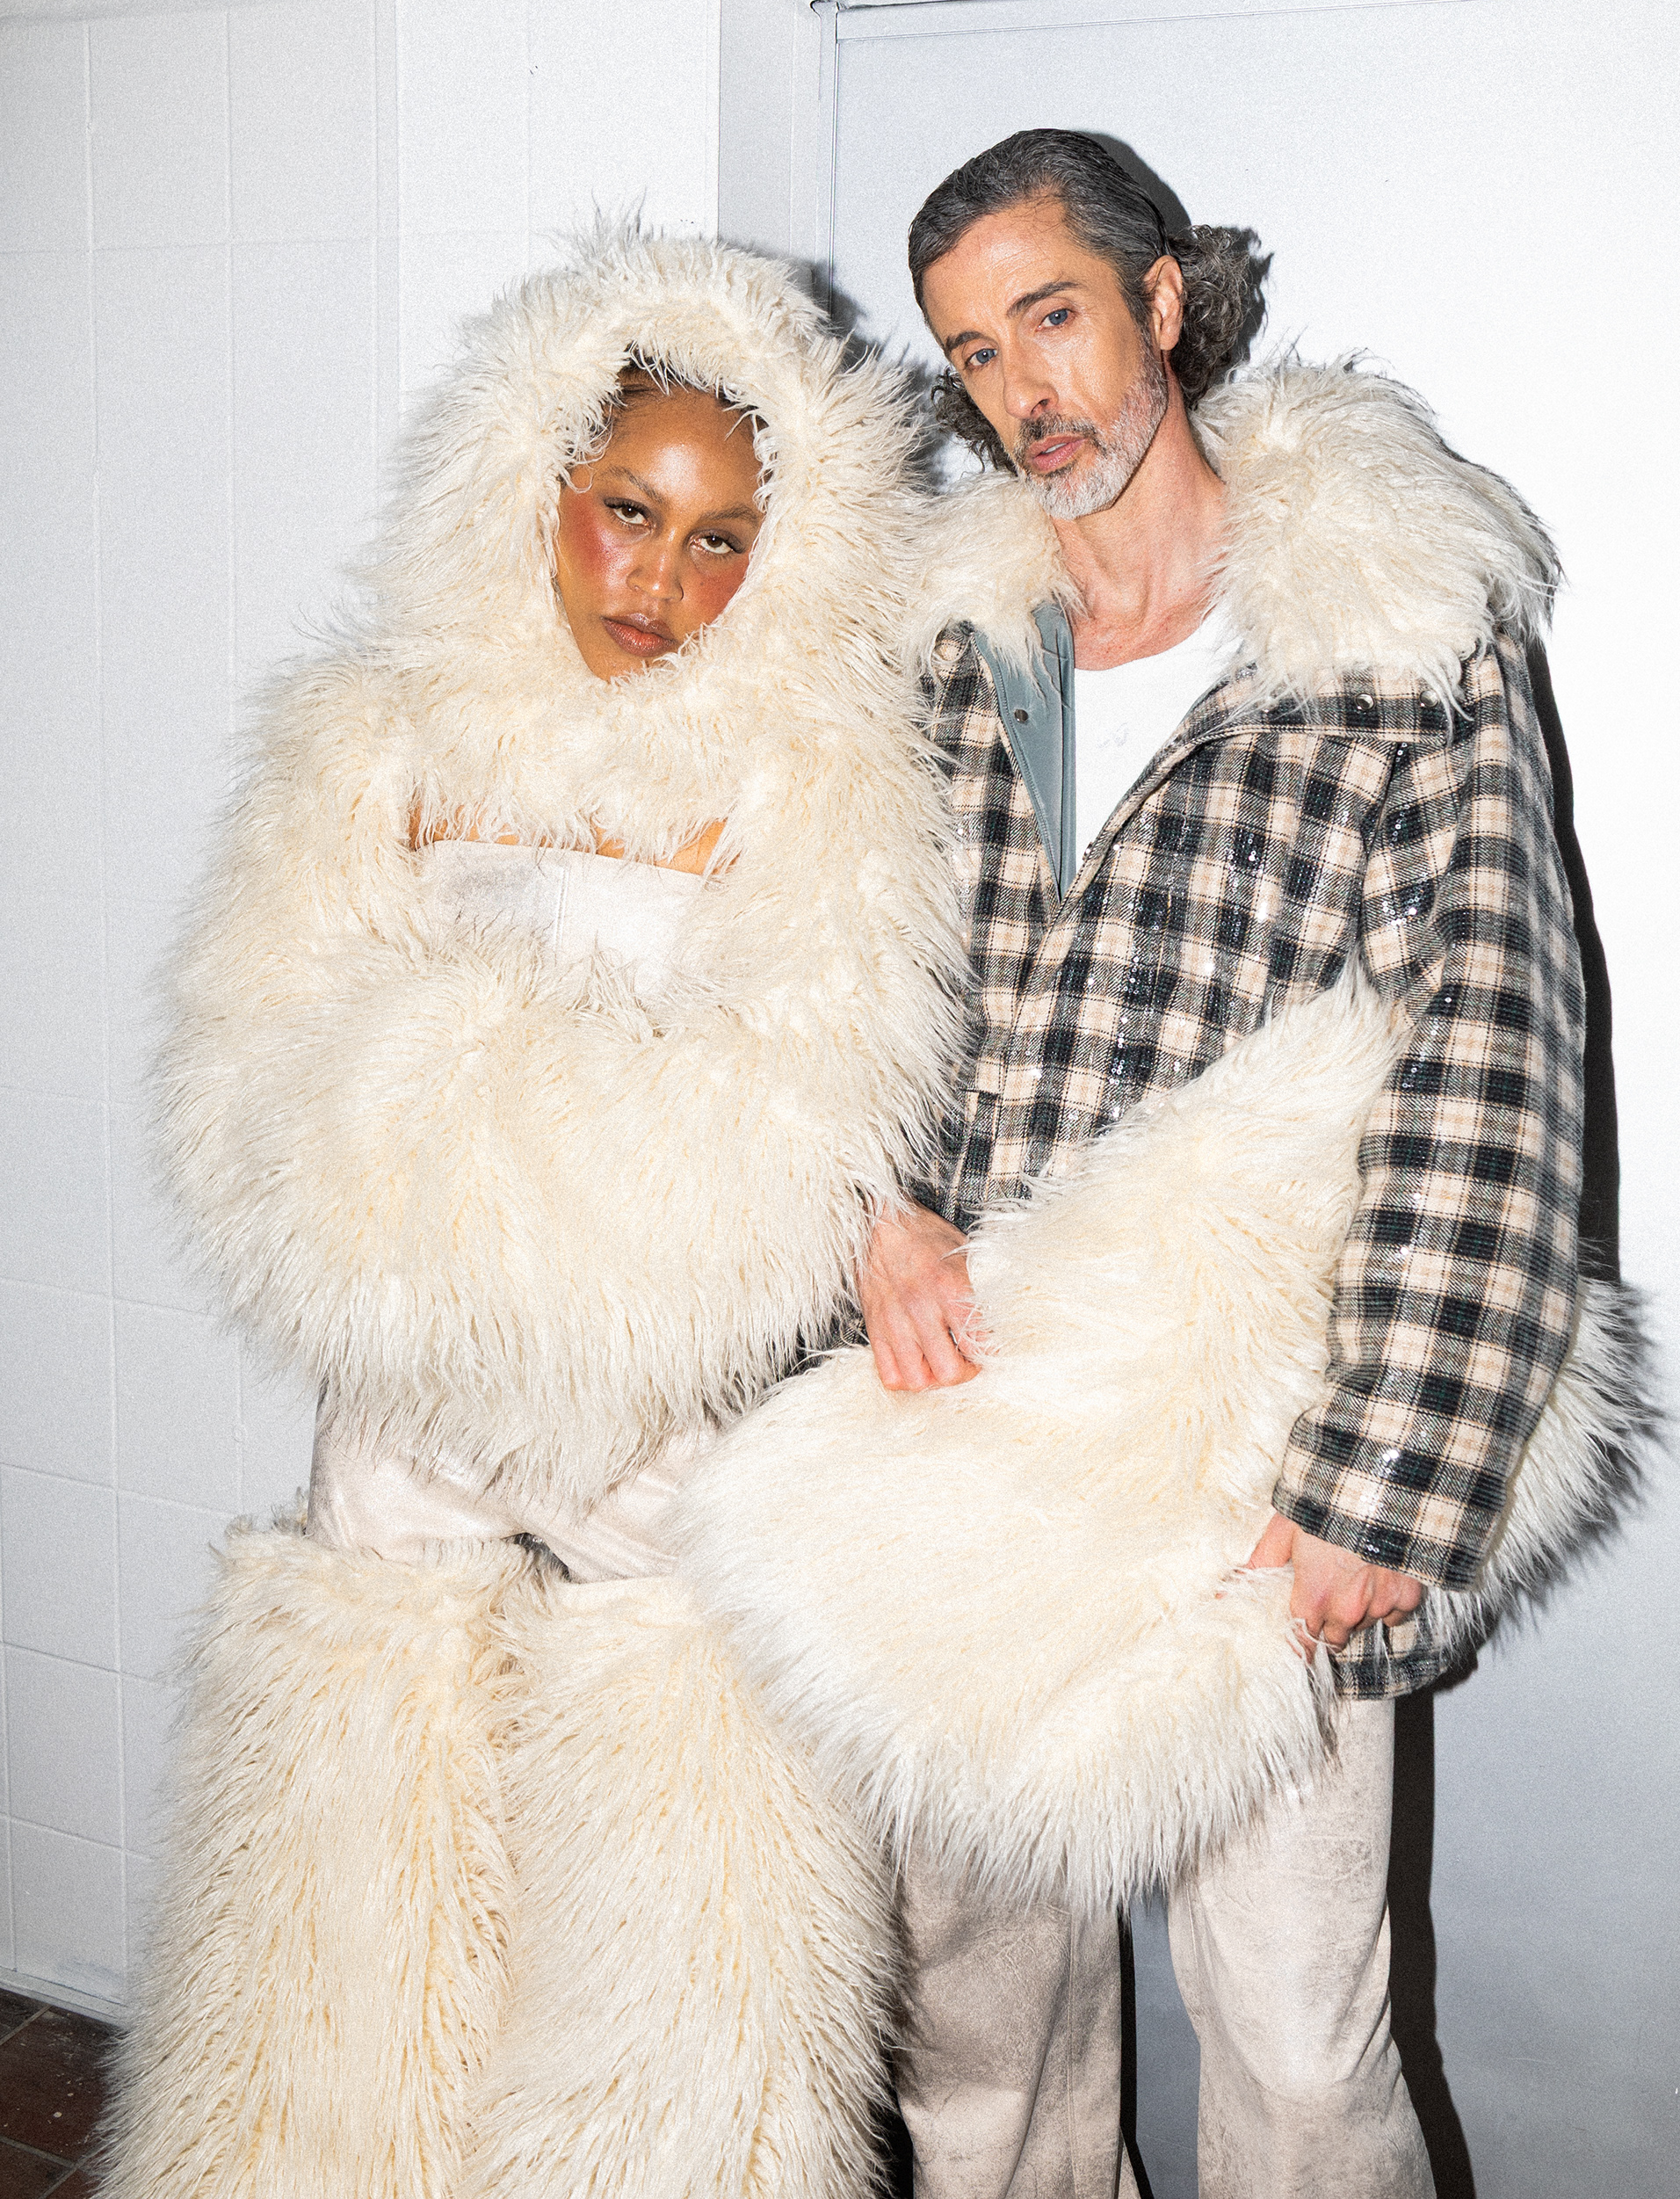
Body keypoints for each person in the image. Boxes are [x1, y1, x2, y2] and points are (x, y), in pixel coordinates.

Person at [105, 230, 959, 2199]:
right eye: (628, 512)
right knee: (361, 1829)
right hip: (411, 1367)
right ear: (537, 479)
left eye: (724, 539)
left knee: (686, 1844)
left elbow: (809, 1093)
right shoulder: (375, 729)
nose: (660, 580)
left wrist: (570, 1206)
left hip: (655, 1379)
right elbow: (254, 1041)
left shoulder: (812, 775)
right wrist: (424, 1206)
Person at [862, 127, 1587, 2197]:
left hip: (1264, 1446)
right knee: (981, 2045)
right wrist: (871, 1201)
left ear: (1163, 299)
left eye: (1054, 316)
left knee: (1295, 2046)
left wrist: (1386, 1477)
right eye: (974, 352)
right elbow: (832, 985)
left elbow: (1490, 1053)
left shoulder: (1391, 622)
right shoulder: (939, 650)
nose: (1024, 390)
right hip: (965, 1439)